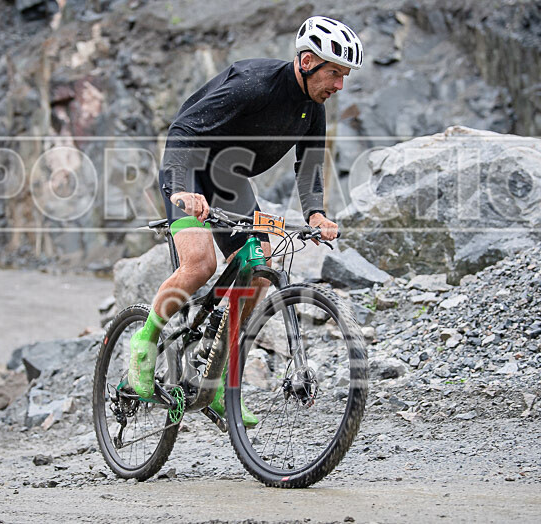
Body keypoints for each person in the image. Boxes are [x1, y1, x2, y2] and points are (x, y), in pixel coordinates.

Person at [126, 16, 364, 425]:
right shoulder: (254, 83)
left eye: (344, 76)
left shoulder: (314, 107)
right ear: (307, 61)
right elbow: (183, 129)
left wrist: (317, 215)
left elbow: (308, 166)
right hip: (189, 168)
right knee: (200, 264)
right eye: (334, 73)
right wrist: (182, 189)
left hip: (228, 177)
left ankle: (214, 383)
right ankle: (143, 346)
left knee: (259, 263)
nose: (339, 85)